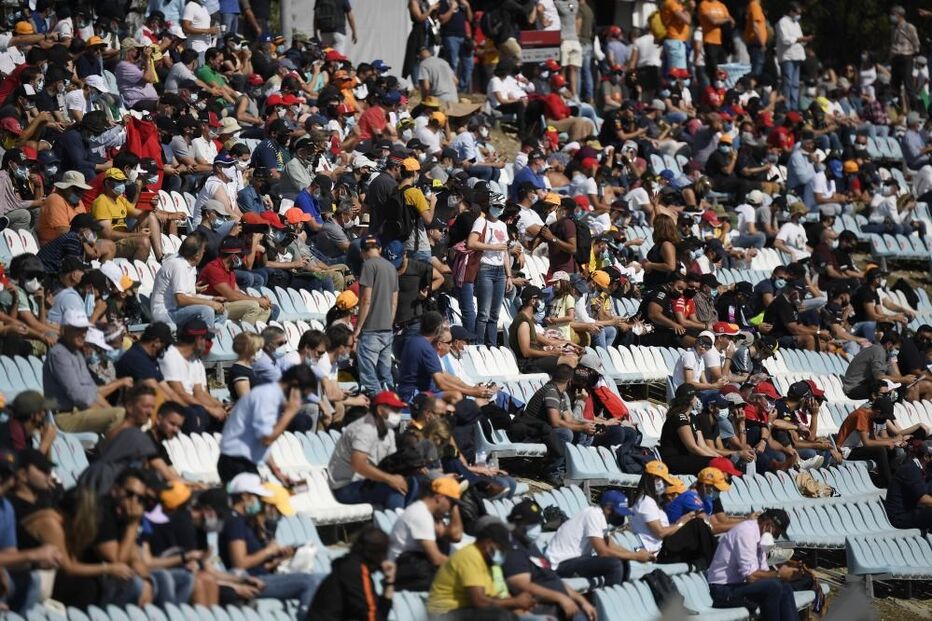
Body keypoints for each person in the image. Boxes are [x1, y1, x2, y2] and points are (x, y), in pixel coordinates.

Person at [218, 473, 321, 619]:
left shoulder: (243, 521)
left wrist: (277, 559)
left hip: (261, 575)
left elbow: (255, 563)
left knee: (324, 578)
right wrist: (268, 551)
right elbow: (239, 563)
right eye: (257, 497)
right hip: (251, 580)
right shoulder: (234, 522)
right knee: (310, 581)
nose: (259, 501)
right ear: (245, 496)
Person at [217, 365, 318, 483]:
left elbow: (260, 443)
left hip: (242, 462)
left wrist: (276, 472)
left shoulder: (270, 396)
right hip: (235, 462)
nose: (300, 401)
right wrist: (290, 413)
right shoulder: (267, 397)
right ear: (294, 386)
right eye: (303, 395)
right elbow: (266, 440)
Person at [426, 521, 536, 619]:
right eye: (501, 549)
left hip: (465, 610)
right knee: (500, 616)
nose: (503, 553)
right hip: (443, 614)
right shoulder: (470, 556)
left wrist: (518, 607)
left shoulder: (485, 561)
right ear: (488, 543)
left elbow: (493, 598)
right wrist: (516, 602)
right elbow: (479, 601)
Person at [706, 509, 801, 620]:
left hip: (736, 586)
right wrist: (779, 574)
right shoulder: (746, 532)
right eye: (776, 533)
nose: (775, 537)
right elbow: (751, 576)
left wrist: (789, 575)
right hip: (722, 590)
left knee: (785, 587)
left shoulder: (760, 536)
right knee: (773, 587)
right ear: (767, 525)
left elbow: (764, 572)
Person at [42, 310, 126, 434]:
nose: (83, 334)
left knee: (121, 416)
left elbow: (92, 391)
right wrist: (109, 413)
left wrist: (109, 410)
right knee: (119, 415)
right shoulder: (59, 354)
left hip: (79, 412)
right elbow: (79, 396)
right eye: (78, 329)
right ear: (65, 329)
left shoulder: (76, 353)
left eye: (85, 330)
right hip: (64, 416)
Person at [545, 490, 651, 587]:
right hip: (560, 564)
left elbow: (611, 546)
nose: (621, 517)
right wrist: (636, 556)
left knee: (623, 561)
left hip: (576, 560)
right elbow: (603, 552)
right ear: (608, 508)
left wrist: (639, 555)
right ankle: (609, 603)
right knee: (614, 565)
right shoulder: (593, 515)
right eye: (619, 513)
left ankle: (619, 597)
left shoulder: (601, 518)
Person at [328, 391, 412, 510]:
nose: (398, 414)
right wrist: (390, 479)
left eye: (398, 410)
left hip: (366, 482)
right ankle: (395, 523)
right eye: (394, 409)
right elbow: (358, 465)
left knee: (413, 484)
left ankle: (401, 520)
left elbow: (391, 463)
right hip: (346, 486)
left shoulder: (388, 431)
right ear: (379, 410)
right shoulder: (365, 428)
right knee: (393, 488)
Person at [509, 364, 591, 486]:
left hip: (542, 431)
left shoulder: (560, 394)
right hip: (531, 433)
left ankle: (565, 469)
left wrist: (589, 426)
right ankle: (551, 470)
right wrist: (582, 427)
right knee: (565, 433)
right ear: (569, 381)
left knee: (585, 434)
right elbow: (555, 422)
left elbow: (569, 419)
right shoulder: (551, 391)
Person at [629, 461, 717, 568]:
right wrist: (681, 523)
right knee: (697, 525)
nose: (664, 485)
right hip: (658, 551)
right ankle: (714, 561)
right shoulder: (646, 501)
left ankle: (710, 560)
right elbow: (660, 533)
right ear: (652, 479)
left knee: (697, 526)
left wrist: (686, 519)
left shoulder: (653, 502)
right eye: (662, 481)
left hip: (664, 546)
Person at [390, 477, 464, 591]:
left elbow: (455, 535)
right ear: (439, 497)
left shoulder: (425, 513)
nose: (450, 508)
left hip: (413, 567)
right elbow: (436, 559)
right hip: (404, 570)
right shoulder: (421, 515)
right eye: (451, 503)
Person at [312, 526, 396, 621]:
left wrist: (389, 582)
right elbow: (372, 617)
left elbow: (378, 614)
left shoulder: (349, 564)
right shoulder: (356, 571)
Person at [354, 236, 399, 395]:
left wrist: (358, 328)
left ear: (362, 252)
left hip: (371, 329)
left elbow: (366, 299)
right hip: (387, 329)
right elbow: (394, 302)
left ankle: (380, 408)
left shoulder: (368, 265)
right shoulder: (391, 267)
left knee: (369, 376)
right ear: (379, 249)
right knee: (385, 375)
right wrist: (389, 322)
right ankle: (393, 404)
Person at [467, 191, 511, 347]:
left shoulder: (503, 225)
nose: (498, 209)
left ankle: (491, 346)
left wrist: (509, 275)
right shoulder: (481, 221)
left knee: (494, 314)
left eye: (501, 207)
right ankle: (479, 345)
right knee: (484, 313)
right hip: (486, 268)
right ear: (490, 205)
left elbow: (505, 251)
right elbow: (471, 243)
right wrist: (493, 247)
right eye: (496, 206)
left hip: (500, 271)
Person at [836, 396, 904, 487]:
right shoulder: (861, 415)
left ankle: (890, 478)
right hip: (846, 451)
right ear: (878, 412)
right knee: (880, 450)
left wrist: (893, 441)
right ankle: (888, 483)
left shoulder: (870, 417)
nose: (884, 420)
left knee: (890, 449)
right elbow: (867, 443)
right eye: (884, 417)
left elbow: (873, 439)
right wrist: (889, 442)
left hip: (856, 448)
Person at [659, 384, 720, 475]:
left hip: (687, 458)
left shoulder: (693, 417)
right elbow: (692, 447)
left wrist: (718, 457)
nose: (697, 399)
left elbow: (702, 446)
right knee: (712, 464)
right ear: (690, 400)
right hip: (673, 460)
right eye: (696, 396)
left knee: (720, 463)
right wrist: (715, 460)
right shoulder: (679, 417)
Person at [884, 440, 932, 532]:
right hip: (900, 517)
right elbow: (923, 499)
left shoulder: (924, 471)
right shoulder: (911, 469)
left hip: (912, 512)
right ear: (926, 457)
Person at [775, 3, 811, 111]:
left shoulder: (796, 24)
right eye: (797, 12)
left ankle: (794, 106)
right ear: (791, 11)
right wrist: (799, 39)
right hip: (787, 56)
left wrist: (805, 40)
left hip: (797, 55)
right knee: (788, 82)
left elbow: (799, 39)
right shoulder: (782, 22)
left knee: (795, 84)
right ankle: (786, 105)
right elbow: (785, 39)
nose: (799, 15)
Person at [889, 6, 921, 112]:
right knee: (894, 86)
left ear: (900, 15)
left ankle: (915, 110)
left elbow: (916, 43)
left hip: (906, 57)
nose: (892, 16)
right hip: (895, 58)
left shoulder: (909, 27)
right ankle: (899, 110)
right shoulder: (893, 28)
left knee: (908, 85)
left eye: (894, 14)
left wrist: (912, 55)